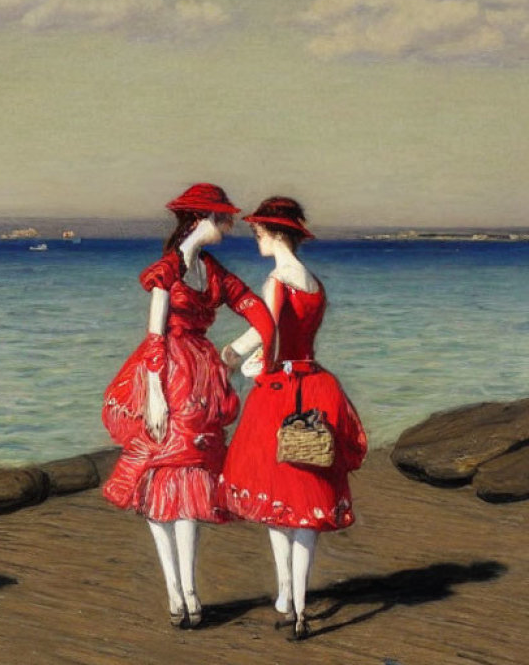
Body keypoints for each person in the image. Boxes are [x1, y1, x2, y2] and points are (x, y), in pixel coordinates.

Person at [101, 183, 276, 629]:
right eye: (221, 218)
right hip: (160, 378)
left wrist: (233, 355)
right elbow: (155, 335)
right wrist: (156, 395)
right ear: (200, 220)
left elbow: (262, 316)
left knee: (190, 481)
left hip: (199, 381)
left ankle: (190, 590)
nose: (228, 225)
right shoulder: (168, 269)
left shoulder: (213, 271)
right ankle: (175, 591)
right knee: (158, 480)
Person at [220, 196, 367, 641]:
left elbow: (264, 335)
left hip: (281, 394)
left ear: (276, 235)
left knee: (276, 494)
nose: (257, 241)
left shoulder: (276, 279)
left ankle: (287, 595)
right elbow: (296, 336)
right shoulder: (315, 282)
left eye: (259, 234)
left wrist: (231, 356)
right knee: (305, 499)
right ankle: (295, 602)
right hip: (316, 386)